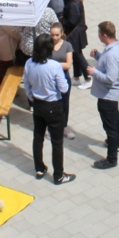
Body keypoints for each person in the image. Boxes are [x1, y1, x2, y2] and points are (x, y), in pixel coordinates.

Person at [24, 33, 74, 184]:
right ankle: (58, 175)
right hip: (53, 106)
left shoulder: (29, 63)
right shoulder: (54, 66)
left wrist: (33, 99)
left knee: (38, 138)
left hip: (38, 104)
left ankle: (39, 168)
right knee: (57, 142)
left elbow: (27, 86)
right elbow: (64, 88)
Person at [87, 21, 119, 168]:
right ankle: (118, 143)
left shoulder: (112, 55)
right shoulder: (114, 48)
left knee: (110, 126)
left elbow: (110, 78)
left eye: (99, 35)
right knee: (115, 118)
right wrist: (98, 56)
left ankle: (111, 159)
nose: (98, 37)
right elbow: (109, 65)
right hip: (111, 95)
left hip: (107, 95)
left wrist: (94, 72)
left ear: (104, 35)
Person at [60, 0, 91, 90]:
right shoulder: (74, 1)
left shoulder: (74, 5)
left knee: (78, 55)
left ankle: (89, 78)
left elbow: (72, 21)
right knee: (74, 54)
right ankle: (77, 77)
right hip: (76, 33)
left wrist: (62, 20)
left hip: (75, 34)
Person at [48, 23, 74, 140]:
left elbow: (68, 64)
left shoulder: (67, 45)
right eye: (52, 35)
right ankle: (51, 128)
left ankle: (63, 127)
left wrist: (52, 64)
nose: (54, 38)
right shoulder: (47, 45)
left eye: (57, 35)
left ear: (62, 34)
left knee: (64, 104)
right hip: (50, 79)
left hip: (63, 78)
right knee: (51, 104)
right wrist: (59, 65)